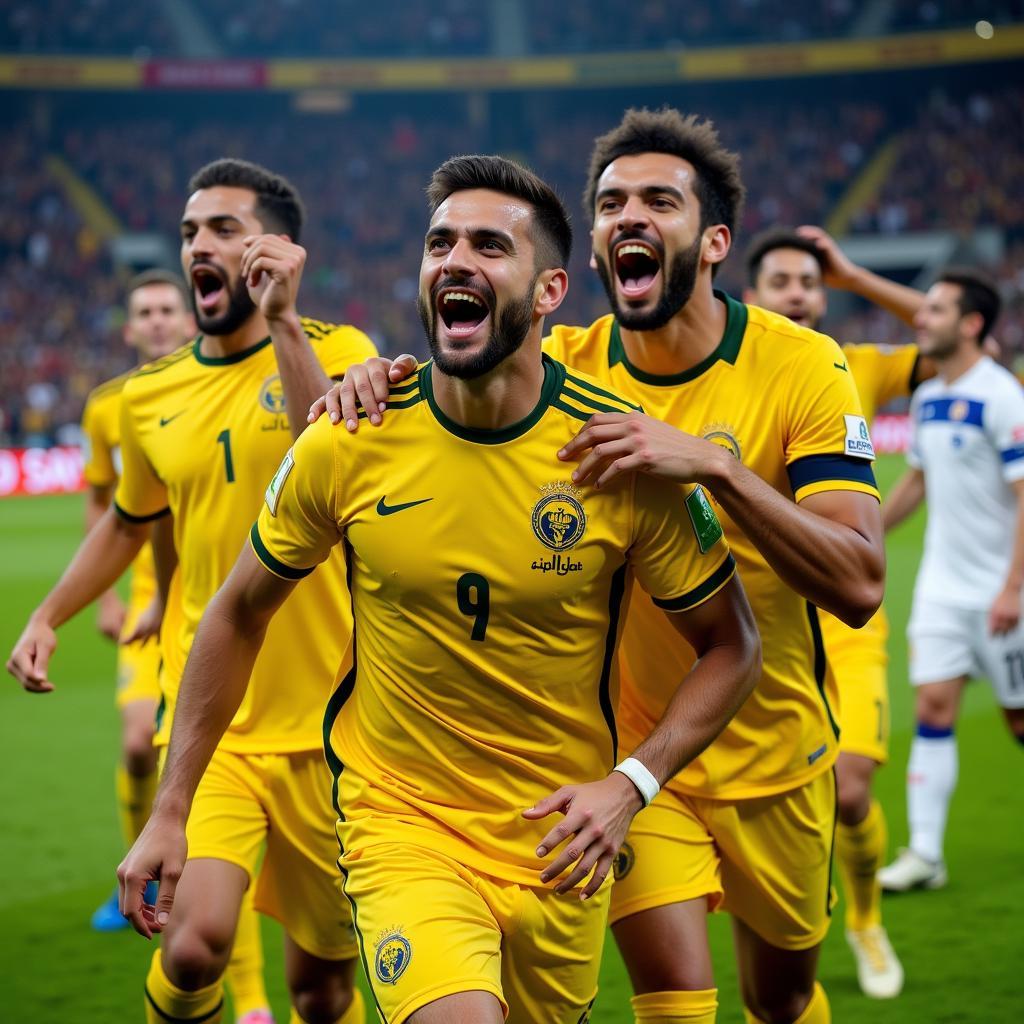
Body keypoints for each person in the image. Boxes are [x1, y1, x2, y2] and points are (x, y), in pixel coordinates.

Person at [118, 153, 761, 1024]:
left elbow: (732, 646)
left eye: (491, 246)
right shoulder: (351, 438)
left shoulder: (623, 457)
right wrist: (171, 807)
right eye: (439, 243)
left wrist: (631, 785)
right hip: (402, 823)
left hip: (559, 841)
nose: (456, 261)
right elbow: (237, 611)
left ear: (548, 292)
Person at [315, 110, 887, 1024]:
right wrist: (367, 379)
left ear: (713, 242)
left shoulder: (803, 368)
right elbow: (451, 385)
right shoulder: (563, 367)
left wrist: (719, 467)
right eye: (611, 202)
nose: (629, 217)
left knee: (780, 1000)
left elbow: (859, 584)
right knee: (675, 1003)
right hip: (628, 761)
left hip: (774, 745)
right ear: (581, 261)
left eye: (659, 200)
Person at [8, 158, 377, 1024]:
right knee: (193, 943)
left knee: (321, 990)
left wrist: (284, 324)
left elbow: (323, 469)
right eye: (188, 232)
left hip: (333, 726)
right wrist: (48, 613)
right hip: (212, 721)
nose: (198, 246)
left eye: (223, 228)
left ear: (279, 250)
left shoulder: (341, 352)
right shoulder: (150, 394)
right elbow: (129, 521)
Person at [742, 226, 926, 999]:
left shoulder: (854, 363)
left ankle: (866, 920)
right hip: (758, 631)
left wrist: (857, 276)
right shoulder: (731, 367)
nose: (798, 293)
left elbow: (951, 333)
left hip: (847, 628)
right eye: (781, 280)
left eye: (810, 283)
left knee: (851, 791)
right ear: (750, 294)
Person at [877, 269, 1024, 892]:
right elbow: (917, 479)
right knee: (935, 707)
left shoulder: (1003, 396)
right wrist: (864, 537)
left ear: (970, 325)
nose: (921, 318)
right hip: (942, 589)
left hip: (1003, 591)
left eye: (935, 310)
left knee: (1019, 722)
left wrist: (1013, 588)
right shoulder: (929, 395)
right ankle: (926, 855)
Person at [81, 269, 195, 934]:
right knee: (135, 746)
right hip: (150, 598)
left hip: (208, 594)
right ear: (129, 329)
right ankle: (139, 880)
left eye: (165, 309)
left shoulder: (217, 388)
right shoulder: (107, 407)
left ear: (185, 322)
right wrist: (101, 597)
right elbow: (102, 498)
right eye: (143, 312)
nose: (155, 321)